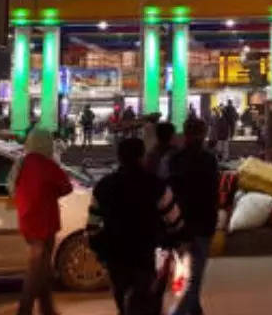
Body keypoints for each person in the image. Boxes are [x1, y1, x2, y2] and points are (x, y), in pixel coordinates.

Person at [88, 137, 185, 315]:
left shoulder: (104, 186)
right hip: (145, 255)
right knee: (145, 300)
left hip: (115, 255)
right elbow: (174, 220)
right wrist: (175, 242)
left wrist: (100, 250)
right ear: (142, 156)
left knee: (122, 299)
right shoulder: (156, 185)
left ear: (119, 157)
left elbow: (92, 226)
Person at [8, 128, 73, 315]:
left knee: (43, 268)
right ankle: (25, 310)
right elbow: (67, 187)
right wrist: (52, 194)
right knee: (36, 270)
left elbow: (13, 188)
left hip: (27, 222)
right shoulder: (47, 164)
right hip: (45, 223)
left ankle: (47, 309)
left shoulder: (22, 162)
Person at [165, 119, 220, 315]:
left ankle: (194, 310)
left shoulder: (175, 160)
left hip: (181, 224)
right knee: (193, 276)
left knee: (186, 273)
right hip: (201, 224)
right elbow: (213, 194)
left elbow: (169, 193)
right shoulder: (208, 160)